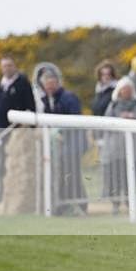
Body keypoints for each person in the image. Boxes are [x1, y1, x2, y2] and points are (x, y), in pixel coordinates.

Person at [36, 64, 87, 215]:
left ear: (57, 83)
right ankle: (65, 205)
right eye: (47, 84)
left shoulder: (68, 97)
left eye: (52, 83)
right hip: (59, 146)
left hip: (73, 144)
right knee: (64, 175)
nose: (49, 87)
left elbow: (75, 119)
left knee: (72, 175)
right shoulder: (46, 100)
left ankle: (80, 205)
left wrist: (60, 131)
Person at [102, 77, 136, 214]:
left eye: (129, 90)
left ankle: (130, 202)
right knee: (115, 178)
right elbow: (106, 124)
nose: (126, 92)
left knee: (132, 177)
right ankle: (115, 204)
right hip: (115, 149)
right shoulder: (113, 105)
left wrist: (133, 118)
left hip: (134, 149)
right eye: (124, 90)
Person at [0, 56, 35, 128]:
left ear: (14, 66)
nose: (7, 69)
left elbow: (30, 104)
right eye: (4, 66)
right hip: (0, 128)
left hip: (17, 127)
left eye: (9, 65)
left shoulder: (23, 83)